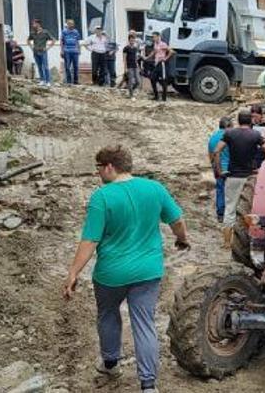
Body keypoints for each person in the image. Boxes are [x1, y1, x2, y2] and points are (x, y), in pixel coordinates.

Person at [62, 145, 190, 393]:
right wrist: (182, 238)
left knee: (108, 314)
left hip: (111, 274)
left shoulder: (103, 197)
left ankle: (110, 363)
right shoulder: (155, 188)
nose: (98, 173)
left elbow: (90, 241)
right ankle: (148, 385)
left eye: (98, 168)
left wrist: (73, 272)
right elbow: (177, 220)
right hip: (147, 271)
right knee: (144, 322)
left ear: (110, 166)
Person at [214, 110, 265, 248]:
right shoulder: (256, 135)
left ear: (239, 121)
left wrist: (219, 170)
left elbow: (217, 151)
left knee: (230, 209)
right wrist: (262, 168)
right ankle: (249, 242)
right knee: (251, 209)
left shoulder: (230, 134)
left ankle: (227, 242)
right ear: (250, 121)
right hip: (250, 178)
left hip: (233, 176)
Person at [207, 116, 233, 223]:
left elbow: (210, 154)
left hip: (216, 167)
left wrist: (213, 166)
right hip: (228, 167)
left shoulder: (213, 137)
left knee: (220, 189)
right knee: (230, 191)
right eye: (232, 126)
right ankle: (229, 213)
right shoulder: (229, 137)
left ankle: (220, 214)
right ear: (228, 126)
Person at [144, 32, 174, 101]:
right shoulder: (155, 44)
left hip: (162, 64)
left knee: (164, 81)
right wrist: (146, 57)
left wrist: (165, 58)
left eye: (154, 37)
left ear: (158, 36)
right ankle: (156, 96)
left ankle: (164, 98)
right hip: (157, 64)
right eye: (153, 37)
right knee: (152, 78)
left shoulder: (163, 44)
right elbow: (154, 52)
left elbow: (171, 51)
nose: (153, 38)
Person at [27, 19, 55, 86]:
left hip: (43, 51)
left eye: (34, 24)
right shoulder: (32, 33)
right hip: (35, 52)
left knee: (45, 66)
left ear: (38, 24)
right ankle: (42, 80)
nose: (32, 25)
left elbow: (53, 40)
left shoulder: (45, 32)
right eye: (32, 24)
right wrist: (31, 47)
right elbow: (28, 40)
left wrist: (47, 48)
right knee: (39, 66)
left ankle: (48, 81)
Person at [61, 19, 82, 85]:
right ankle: (69, 81)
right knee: (67, 66)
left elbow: (77, 41)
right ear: (67, 24)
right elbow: (62, 41)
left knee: (76, 66)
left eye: (72, 23)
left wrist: (79, 49)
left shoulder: (76, 31)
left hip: (75, 51)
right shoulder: (64, 32)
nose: (71, 25)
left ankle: (76, 81)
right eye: (69, 23)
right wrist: (62, 50)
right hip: (67, 51)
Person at [123, 32, 143, 99]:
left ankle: (131, 91)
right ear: (129, 40)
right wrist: (125, 68)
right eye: (131, 40)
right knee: (130, 81)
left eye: (133, 40)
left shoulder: (135, 48)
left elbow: (135, 58)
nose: (132, 41)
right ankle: (131, 95)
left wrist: (138, 66)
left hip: (135, 66)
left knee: (138, 81)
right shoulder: (126, 48)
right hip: (129, 67)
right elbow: (124, 59)